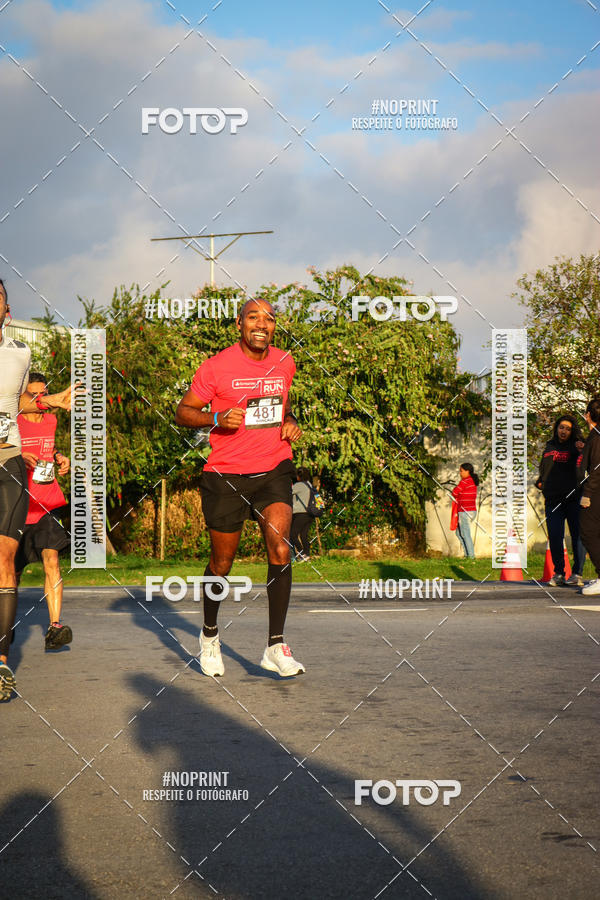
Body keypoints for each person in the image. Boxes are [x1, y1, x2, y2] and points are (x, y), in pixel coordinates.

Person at [175, 297, 305, 678]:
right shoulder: (216, 367)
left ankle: (275, 645)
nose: (262, 324)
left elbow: (283, 404)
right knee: (222, 563)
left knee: (281, 547)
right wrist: (215, 417)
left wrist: (291, 420)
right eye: (254, 317)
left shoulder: (285, 362)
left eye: (269, 318)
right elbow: (183, 412)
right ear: (239, 324)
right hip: (225, 475)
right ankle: (210, 635)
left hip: (273, 468)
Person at [0, 278, 75, 701]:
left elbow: (25, 412)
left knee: (22, 559)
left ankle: (13, 655)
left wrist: (53, 405)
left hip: (25, 481)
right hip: (17, 480)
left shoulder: (20, 358)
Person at [16, 373, 72, 649]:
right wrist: (18, 456)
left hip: (47, 502)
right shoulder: (14, 421)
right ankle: (7, 626)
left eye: (43, 394)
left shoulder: (51, 420)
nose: (40, 400)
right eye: (33, 396)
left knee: (52, 560)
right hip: (18, 503)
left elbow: (49, 448)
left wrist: (61, 457)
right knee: (11, 571)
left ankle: (55, 626)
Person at [536, 414, 586, 586]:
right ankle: (558, 573)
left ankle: (577, 573)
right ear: (556, 428)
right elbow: (545, 468)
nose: (564, 431)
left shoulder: (578, 446)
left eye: (568, 428)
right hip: (553, 500)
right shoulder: (550, 446)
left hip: (573, 498)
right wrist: (541, 481)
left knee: (577, 536)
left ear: (572, 431)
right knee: (556, 536)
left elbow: (586, 465)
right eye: (561, 427)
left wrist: (583, 450)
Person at [578, 398, 600, 595]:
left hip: (595, 492)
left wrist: (587, 493)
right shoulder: (594, 436)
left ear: (589, 415)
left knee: (587, 531)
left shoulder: (598, 436)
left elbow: (597, 468)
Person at [451, 462, 478, 559]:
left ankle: (470, 556)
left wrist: (456, 493)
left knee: (465, 534)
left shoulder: (465, 481)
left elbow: (454, 492)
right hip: (472, 511)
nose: (460, 473)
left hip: (465, 511)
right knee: (459, 533)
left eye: (461, 471)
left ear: (468, 471)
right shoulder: (472, 481)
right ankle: (467, 555)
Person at [291, 468, 314, 561]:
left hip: (301, 513)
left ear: (299, 476)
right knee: (304, 535)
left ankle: (301, 553)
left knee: (292, 534)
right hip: (310, 513)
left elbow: (287, 493)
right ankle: (307, 554)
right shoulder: (309, 485)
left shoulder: (298, 485)